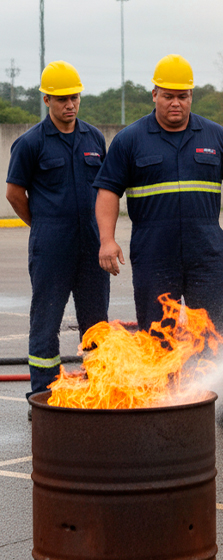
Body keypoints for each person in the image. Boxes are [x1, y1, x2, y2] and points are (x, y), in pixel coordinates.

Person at [93, 54, 223, 432]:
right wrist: (106, 239)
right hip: (155, 255)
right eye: (169, 95)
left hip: (206, 253)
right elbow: (107, 191)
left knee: (218, 329)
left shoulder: (215, 136)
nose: (177, 103)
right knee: (158, 333)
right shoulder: (130, 140)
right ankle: (163, 404)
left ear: (192, 96)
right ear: (154, 94)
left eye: (184, 96)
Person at [5, 61, 110, 418]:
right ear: (47, 99)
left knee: (96, 322)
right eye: (63, 99)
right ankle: (43, 394)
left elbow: (107, 190)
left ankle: (99, 386)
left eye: (75, 98)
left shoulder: (94, 139)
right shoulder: (31, 143)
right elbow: (14, 193)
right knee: (46, 321)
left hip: (91, 245)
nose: (70, 105)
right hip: (51, 245)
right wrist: (43, 224)